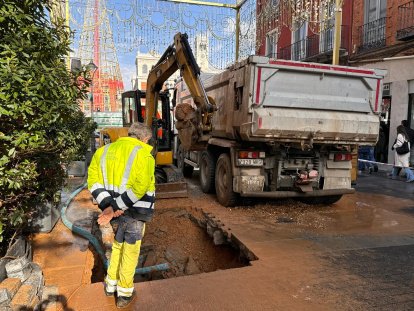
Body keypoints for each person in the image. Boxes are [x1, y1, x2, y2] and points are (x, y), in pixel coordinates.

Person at [88, 122, 155, 308]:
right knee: (130, 250)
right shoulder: (144, 153)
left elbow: (92, 181)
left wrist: (107, 204)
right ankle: (125, 293)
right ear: (144, 139)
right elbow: (140, 187)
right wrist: (116, 206)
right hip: (135, 211)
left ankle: (111, 286)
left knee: (118, 245)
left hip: (114, 211)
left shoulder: (103, 152)